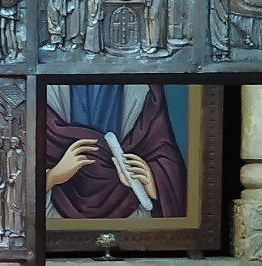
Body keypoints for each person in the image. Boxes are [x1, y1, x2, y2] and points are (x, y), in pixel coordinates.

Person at [46, 83, 186, 219]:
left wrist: (153, 182)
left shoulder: (145, 88)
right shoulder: (48, 87)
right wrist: (52, 177)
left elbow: (162, 151)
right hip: (55, 210)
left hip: (135, 213)